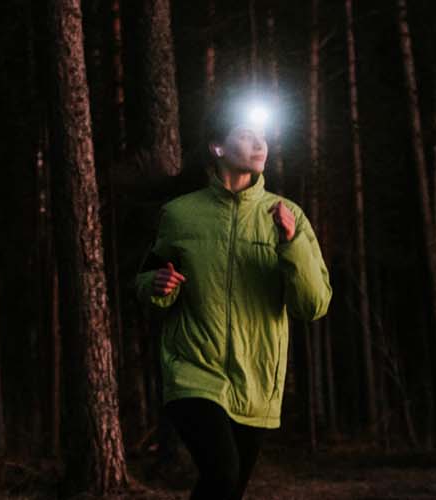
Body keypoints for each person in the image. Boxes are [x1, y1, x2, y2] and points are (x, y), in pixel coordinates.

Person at [133, 124, 331, 500]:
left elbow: (313, 304)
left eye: (263, 137)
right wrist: (156, 285)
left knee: (228, 487)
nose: (259, 144)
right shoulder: (179, 215)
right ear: (217, 147)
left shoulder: (288, 215)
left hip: (256, 375)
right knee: (222, 474)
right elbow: (147, 279)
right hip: (192, 367)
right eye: (245, 135)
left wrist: (290, 243)